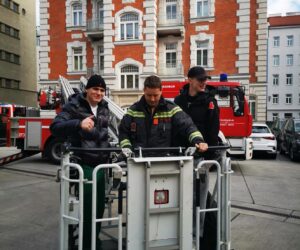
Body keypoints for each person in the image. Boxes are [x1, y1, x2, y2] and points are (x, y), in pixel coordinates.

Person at [50, 74, 109, 250]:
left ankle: (94, 241)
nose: (98, 93)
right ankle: (86, 244)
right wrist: (78, 124)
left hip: (101, 165)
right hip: (84, 163)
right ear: (87, 90)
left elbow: (103, 135)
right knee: (88, 209)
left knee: (98, 209)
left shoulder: (104, 107)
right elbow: (55, 127)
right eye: (95, 89)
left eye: (101, 90)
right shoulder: (74, 105)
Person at [174, 66, 220, 250]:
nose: (204, 82)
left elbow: (213, 132)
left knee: (201, 201)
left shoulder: (210, 102)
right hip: (181, 159)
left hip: (201, 160)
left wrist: (208, 160)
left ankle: (199, 239)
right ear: (190, 79)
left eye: (205, 79)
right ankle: (181, 234)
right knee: (181, 198)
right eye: (200, 79)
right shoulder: (179, 100)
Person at [119, 75, 208, 155]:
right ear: (144, 91)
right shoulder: (133, 110)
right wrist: (127, 148)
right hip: (138, 161)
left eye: (155, 95)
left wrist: (198, 141)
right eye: (149, 95)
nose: (152, 99)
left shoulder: (172, 109)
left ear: (161, 91)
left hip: (164, 161)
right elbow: (123, 132)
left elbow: (188, 126)